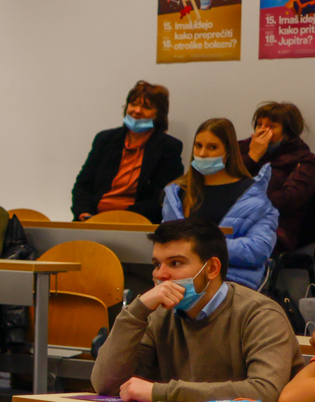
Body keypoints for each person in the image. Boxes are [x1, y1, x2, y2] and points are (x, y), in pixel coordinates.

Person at [90, 218, 296, 402]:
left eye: (175, 263)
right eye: (157, 264)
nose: (160, 275)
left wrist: (161, 392)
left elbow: (265, 394)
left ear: (212, 268)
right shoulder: (159, 315)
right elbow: (107, 385)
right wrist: (137, 310)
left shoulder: (261, 315)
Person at [161, 118, 277, 289]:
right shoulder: (177, 192)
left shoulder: (252, 194)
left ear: (228, 152)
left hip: (233, 284)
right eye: (198, 146)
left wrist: (200, 245)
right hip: (182, 283)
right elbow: (165, 242)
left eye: (212, 147)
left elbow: (258, 250)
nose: (202, 153)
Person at [71, 80, 183, 222]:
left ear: (159, 114)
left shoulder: (168, 147)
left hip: (135, 222)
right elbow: (83, 184)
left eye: (146, 107)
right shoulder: (105, 139)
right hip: (92, 219)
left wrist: (121, 218)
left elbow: (162, 197)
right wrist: (84, 212)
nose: (137, 111)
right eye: (133, 104)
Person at [246, 101, 315, 254]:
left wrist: (247, 205)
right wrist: (252, 157)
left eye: (271, 126)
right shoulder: (246, 149)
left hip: (275, 229)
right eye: (259, 124)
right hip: (235, 222)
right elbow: (227, 184)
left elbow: (288, 199)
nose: (262, 131)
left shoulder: (304, 160)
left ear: (288, 132)